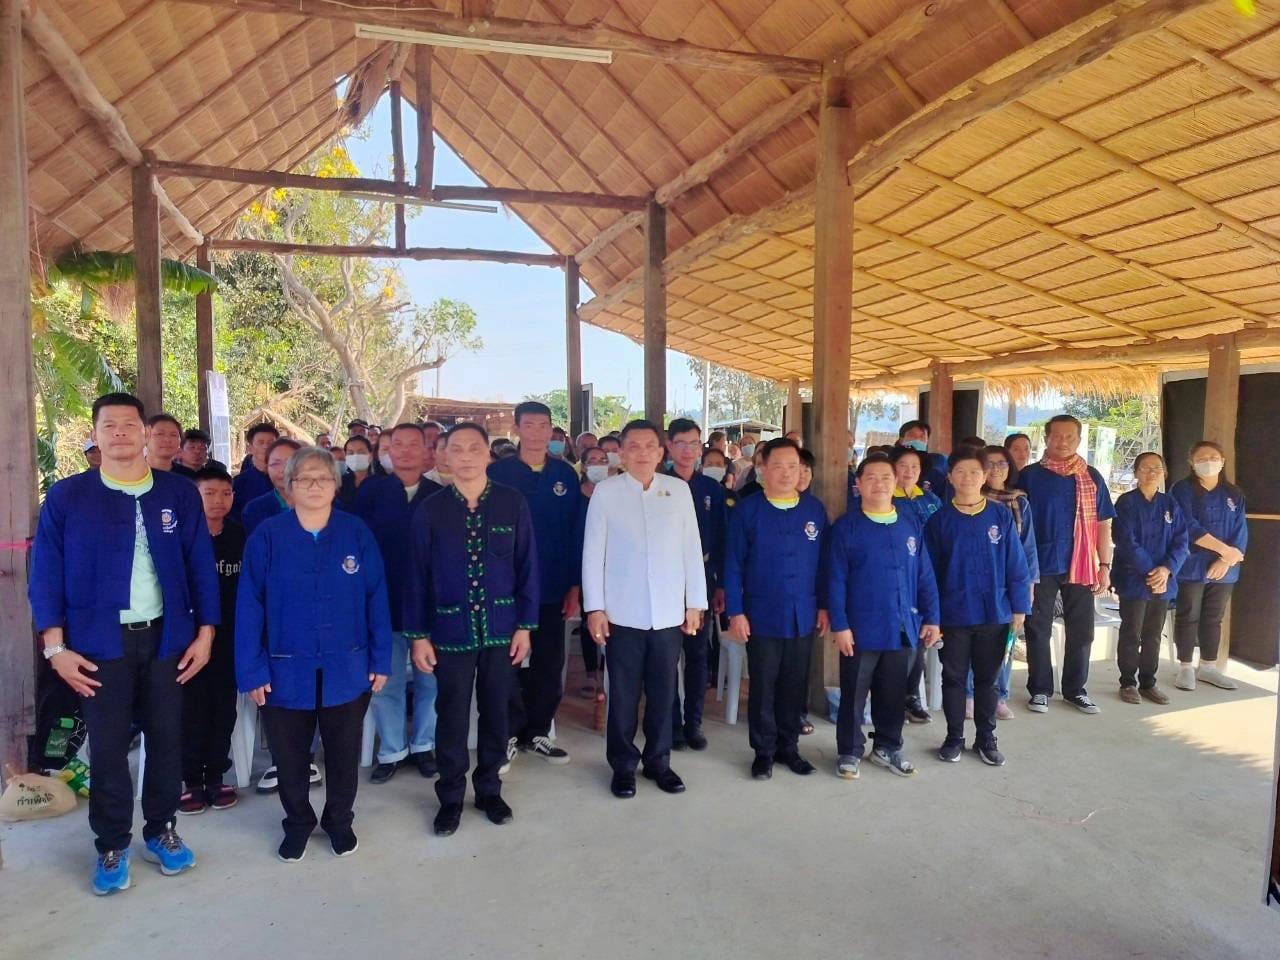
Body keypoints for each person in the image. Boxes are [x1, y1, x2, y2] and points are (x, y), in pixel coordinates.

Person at [29, 392, 219, 895]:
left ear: (145, 434)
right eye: (108, 425)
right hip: (97, 645)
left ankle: (162, 829)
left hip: (167, 639)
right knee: (109, 747)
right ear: (94, 435)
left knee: (167, 739)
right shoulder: (68, 497)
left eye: (129, 424)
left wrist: (206, 633)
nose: (119, 432)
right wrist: (55, 648)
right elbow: (45, 574)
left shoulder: (177, 494)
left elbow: (200, 564)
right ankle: (112, 842)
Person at [237, 446, 391, 862]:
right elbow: (249, 605)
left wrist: (380, 658)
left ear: (336, 485)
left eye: (323, 478)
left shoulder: (356, 532)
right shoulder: (268, 536)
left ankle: (339, 821)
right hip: (284, 668)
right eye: (304, 478)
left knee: (343, 754)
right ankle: (298, 822)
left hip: (348, 666)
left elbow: (377, 597)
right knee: (290, 757)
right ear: (288, 486)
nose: (314, 485)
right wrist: (251, 670)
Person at [404, 423, 539, 837]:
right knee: (451, 715)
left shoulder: (512, 502)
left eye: (474, 449)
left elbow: (528, 565)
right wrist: (418, 635)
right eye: (456, 449)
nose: (465, 457)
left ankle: (489, 790)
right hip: (450, 630)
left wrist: (525, 626)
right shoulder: (431, 509)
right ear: (444, 455)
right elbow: (415, 574)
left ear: (488, 454)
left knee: (497, 711)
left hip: (502, 629)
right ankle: (450, 797)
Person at [582, 419, 707, 799]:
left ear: (660, 451)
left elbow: (691, 549)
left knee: (664, 692)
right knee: (622, 695)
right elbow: (593, 553)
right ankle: (623, 766)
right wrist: (595, 608)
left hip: (669, 612)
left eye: (649, 446)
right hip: (622, 612)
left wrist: (695, 602)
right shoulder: (606, 492)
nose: (641, 453)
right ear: (621, 452)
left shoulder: (678, 490)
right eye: (633, 446)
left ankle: (658, 761)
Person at [826, 456, 940, 781]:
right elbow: (835, 580)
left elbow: (924, 575)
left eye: (886, 477)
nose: (879, 484)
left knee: (893, 692)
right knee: (854, 693)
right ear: (858, 485)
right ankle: (849, 751)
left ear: (895, 482)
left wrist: (932, 618)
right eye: (871, 478)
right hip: (860, 629)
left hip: (901, 626)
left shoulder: (909, 524)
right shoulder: (847, 527)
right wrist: (840, 625)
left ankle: (888, 747)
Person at [724, 438, 826, 780]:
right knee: (764, 685)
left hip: (803, 614)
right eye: (778, 466)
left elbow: (825, 564)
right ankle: (763, 752)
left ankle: (789, 747)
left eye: (793, 466)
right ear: (762, 469)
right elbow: (733, 565)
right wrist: (736, 612)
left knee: (794, 685)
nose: (786, 473)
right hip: (761, 615)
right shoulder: (747, 510)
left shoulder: (814, 510)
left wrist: (824, 607)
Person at [489, 401, 583, 766]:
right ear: (516, 429)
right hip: (506, 588)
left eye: (543, 425)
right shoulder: (498, 473)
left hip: (552, 585)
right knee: (507, 664)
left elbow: (575, 533)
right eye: (529, 425)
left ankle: (538, 731)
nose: (537, 432)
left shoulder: (565, 475)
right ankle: (509, 734)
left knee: (548, 661)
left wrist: (574, 585)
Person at [924, 449, 1031, 767]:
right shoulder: (939, 520)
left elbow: (1016, 564)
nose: (968, 478)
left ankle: (986, 738)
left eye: (974, 472)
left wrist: (1019, 607)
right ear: (950, 477)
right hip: (954, 614)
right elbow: (928, 574)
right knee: (954, 679)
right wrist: (932, 616)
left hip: (994, 612)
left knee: (988, 680)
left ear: (985, 476)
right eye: (960, 471)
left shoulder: (1000, 516)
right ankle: (954, 738)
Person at [356, 424, 443, 784]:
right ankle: (392, 750)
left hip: (430, 606)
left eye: (413, 445)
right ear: (386, 451)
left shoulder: (440, 495)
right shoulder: (371, 492)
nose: (405, 451)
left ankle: (424, 745)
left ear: (427, 451)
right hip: (383, 602)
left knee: (430, 681)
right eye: (397, 445)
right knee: (385, 680)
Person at [1017, 414, 1115, 715]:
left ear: (1079, 440)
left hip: (1081, 565)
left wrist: (1105, 565)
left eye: (1070, 436)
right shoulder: (1029, 476)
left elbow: (1103, 523)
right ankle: (1040, 690)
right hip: (1040, 564)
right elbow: (1018, 522)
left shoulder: (1091, 476)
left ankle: (1075, 690)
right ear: (1046, 439)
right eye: (1057, 436)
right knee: (1038, 628)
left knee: (1082, 630)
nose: (1063, 441)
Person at [179, 467, 245, 814]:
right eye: (209, 493)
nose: (219, 500)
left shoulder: (240, 536)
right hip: (187, 641)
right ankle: (191, 780)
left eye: (226, 493)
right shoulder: (181, 537)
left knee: (223, 708)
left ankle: (217, 776)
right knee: (191, 709)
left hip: (229, 639)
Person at [664, 418, 726, 752]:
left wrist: (720, 585)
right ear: (669, 447)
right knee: (668, 656)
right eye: (681, 444)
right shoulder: (658, 485)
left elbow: (721, 539)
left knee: (698, 654)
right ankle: (671, 723)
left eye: (694, 444)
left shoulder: (711, 489)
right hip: (666, 579)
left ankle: (693, 722)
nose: (688, 451)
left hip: (701, 579)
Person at [1170, 440, 1248, 692]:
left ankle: (1208, 666)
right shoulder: (1182, 490)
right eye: (1202, 459)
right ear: (1191, 463)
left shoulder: (1233, 493)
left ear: (1223, 462)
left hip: (1225, 568)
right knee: (1188, 614)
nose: (1208, 462)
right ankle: (1185, 666)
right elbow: (1188, 526)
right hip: (1191, 564)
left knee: (1214, 617)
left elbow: (1240, 530)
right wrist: (1224, 551)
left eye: (1214, 458)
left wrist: (1226, 559)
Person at [1112, 453, 1189, 705]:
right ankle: (1128, 682)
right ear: (1136, 472)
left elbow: (1181, 541)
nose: (1151, 472)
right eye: (1145, 468)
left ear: (1164, 473)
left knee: (1154, 634)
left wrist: (1166, 570)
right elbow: (1125, 541)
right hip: (1133, 579)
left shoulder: (1170, 504)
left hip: (1163, 581)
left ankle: (1148, 682)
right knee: (1131, 632)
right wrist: (1151, 571)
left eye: (1157, 468)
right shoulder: (1126, 503)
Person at [973, 445, 1039, 718]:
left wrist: (1029, 587)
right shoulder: (969, 498)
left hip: (1010, 582)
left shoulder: (1019, 503)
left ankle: (999, 696)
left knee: (1006, 640)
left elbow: (1028, 549)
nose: (996, 469)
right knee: (973, 640)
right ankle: (970, 694)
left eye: (1002, 463)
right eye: (989, 463)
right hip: (975, 581)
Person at [892, 445, 943, 725]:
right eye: (903, 466)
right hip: (897, 578)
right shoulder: (887, 499)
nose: (909, 471)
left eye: (915, 467)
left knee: (919, 639)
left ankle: (911, 696)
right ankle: (891, 698)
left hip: (925, 579)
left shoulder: (931, 500)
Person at [241, 438, 301, 535]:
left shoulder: (321, 504)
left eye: (290, 463)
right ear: (267, 468)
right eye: (275, 463)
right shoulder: (255, 509)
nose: (283, 470)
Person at [232, 423, 279, 520]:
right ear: (251, 448)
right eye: (261, 442)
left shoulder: (289, 479)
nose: (266, 446)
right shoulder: (239, 483)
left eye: (270, 442)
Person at [897, 420, 947, 494]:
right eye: (912, 435)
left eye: (922, 437)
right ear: (901, 440)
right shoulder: (892, 464)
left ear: (927, 441)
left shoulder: (935, 468)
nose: (917, 440)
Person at [337, 435, 374, 509]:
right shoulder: (340, 483)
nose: (356, 456)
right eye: (350, 453)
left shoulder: (381, 482)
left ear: (371, 455)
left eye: (361, 452)